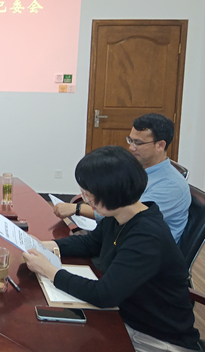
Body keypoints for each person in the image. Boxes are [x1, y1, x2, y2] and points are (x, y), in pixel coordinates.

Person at [23, 146, 200, 352]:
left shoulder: (147, 236)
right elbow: (91, 243)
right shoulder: (120, 215)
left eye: (89, 194)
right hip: (123, 316)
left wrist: (49, 271)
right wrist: (45, 246)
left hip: (156, 338)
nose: (85, 200)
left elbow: (104, 295)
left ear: (112, 193)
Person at [54, 113, 190, 243]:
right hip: (118, 237)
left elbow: (125, 215)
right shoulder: (135, 170)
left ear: (160, 145)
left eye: (138, 143)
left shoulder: (171, 185)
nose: (131, 147)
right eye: (130, 140)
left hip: (144, 249)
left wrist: (77, 209)